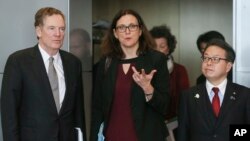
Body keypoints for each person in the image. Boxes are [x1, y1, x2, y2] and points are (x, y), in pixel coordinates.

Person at [1, 7, 86, 141]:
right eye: (51, 28)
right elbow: (9, 115)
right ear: (39, 31)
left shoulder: (73, 63)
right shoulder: (18, 62)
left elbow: (78, 112)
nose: (58, 34)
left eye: (62, 29)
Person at [90, 9, 170, 141]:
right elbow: (97, 107)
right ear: (115, 33)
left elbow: (165, 106)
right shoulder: (106, 62)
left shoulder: (156, 60)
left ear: (140, 31)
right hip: (112, 136)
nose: (127, 31)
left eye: (132, 26)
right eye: (121, 27)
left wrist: (147, 88)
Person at [177, 39, 250, 141]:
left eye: (215, 59)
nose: (209, 63)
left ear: (228, 66)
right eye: (206, 58)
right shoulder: (188, 96)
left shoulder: (244, 95)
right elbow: (183, 133)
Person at [150, 25, 190, 120]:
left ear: (168, 49)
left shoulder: (179, 70)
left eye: (162, 46)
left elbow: (184, 102)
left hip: (172, 123)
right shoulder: (141, 69)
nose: (157, 50)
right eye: (153, 46)